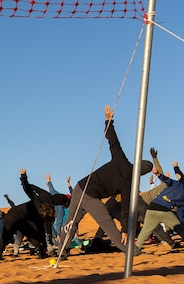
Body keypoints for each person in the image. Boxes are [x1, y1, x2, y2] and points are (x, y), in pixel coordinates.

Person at [58, 106, 152, 259]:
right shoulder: (128, 183)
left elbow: (114, 141)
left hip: (79, 186)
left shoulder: (122, 160)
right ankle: (131, 250)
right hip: (90, 195)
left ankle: (62, 252)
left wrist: (108, 121)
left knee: (71, 222)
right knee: (107, 222)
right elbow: (125, 209)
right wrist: (124, 230)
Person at [135, 167, 184, 250]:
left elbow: (167, 180)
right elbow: (180, 213)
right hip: (164, 211)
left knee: (145, 231)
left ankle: (136, 249)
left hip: (152, 208)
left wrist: (158, 174)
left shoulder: (177, 184)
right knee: (180, 229)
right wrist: (181, 223)